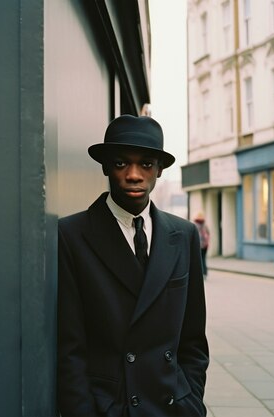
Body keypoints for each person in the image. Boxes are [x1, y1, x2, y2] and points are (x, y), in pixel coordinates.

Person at [58, 115, 209, 417]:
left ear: (159, 170)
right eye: (120, 163)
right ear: (105, 167)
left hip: (171, 406)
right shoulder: (71, 235)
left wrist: (190, 399)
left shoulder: (184, 235)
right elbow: (68, 348)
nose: (134, 175)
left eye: (146, 164)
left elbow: (193, 339)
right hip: (111, 407)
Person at [194, 213, 210, 278]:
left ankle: (201, 273)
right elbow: (208, 234)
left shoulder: (195, 226)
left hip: (199, 245)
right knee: (203, 259)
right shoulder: (205, 225)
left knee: (200, 260)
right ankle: (205, 273)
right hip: (205, 245)